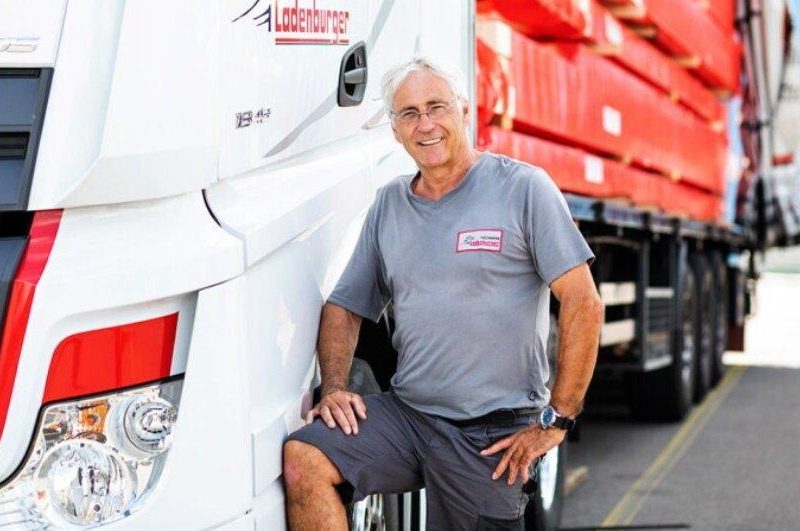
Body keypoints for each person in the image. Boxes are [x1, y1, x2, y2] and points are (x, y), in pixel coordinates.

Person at [282, 57, 604, 530]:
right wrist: (334, 387)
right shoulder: (390, 204)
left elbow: (583, 303)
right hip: (409, 416)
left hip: (491, 432)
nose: (425, 124)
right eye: (409, 113)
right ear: (395, 131)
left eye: (437, 107)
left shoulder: (523, 188)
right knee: (305, 458)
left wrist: (557, 421)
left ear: (464, 111)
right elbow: (345, 306)